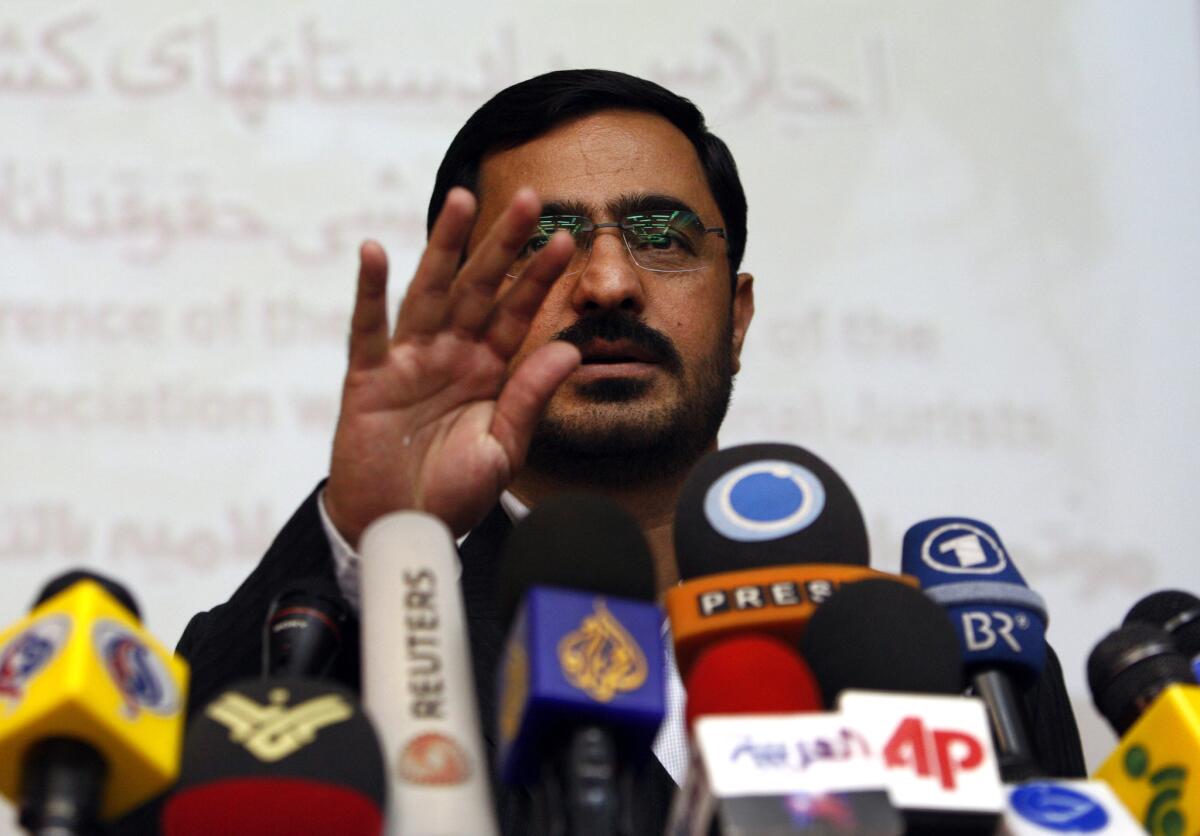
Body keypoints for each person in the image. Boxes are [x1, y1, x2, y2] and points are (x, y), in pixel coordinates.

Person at [170, 69, 1085, 834]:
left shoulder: (951, 677)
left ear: (738, 316)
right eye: (543, 246)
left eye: (662, 239)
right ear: (472, 300)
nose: (608, 283)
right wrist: (371, 529)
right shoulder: (366, 660)